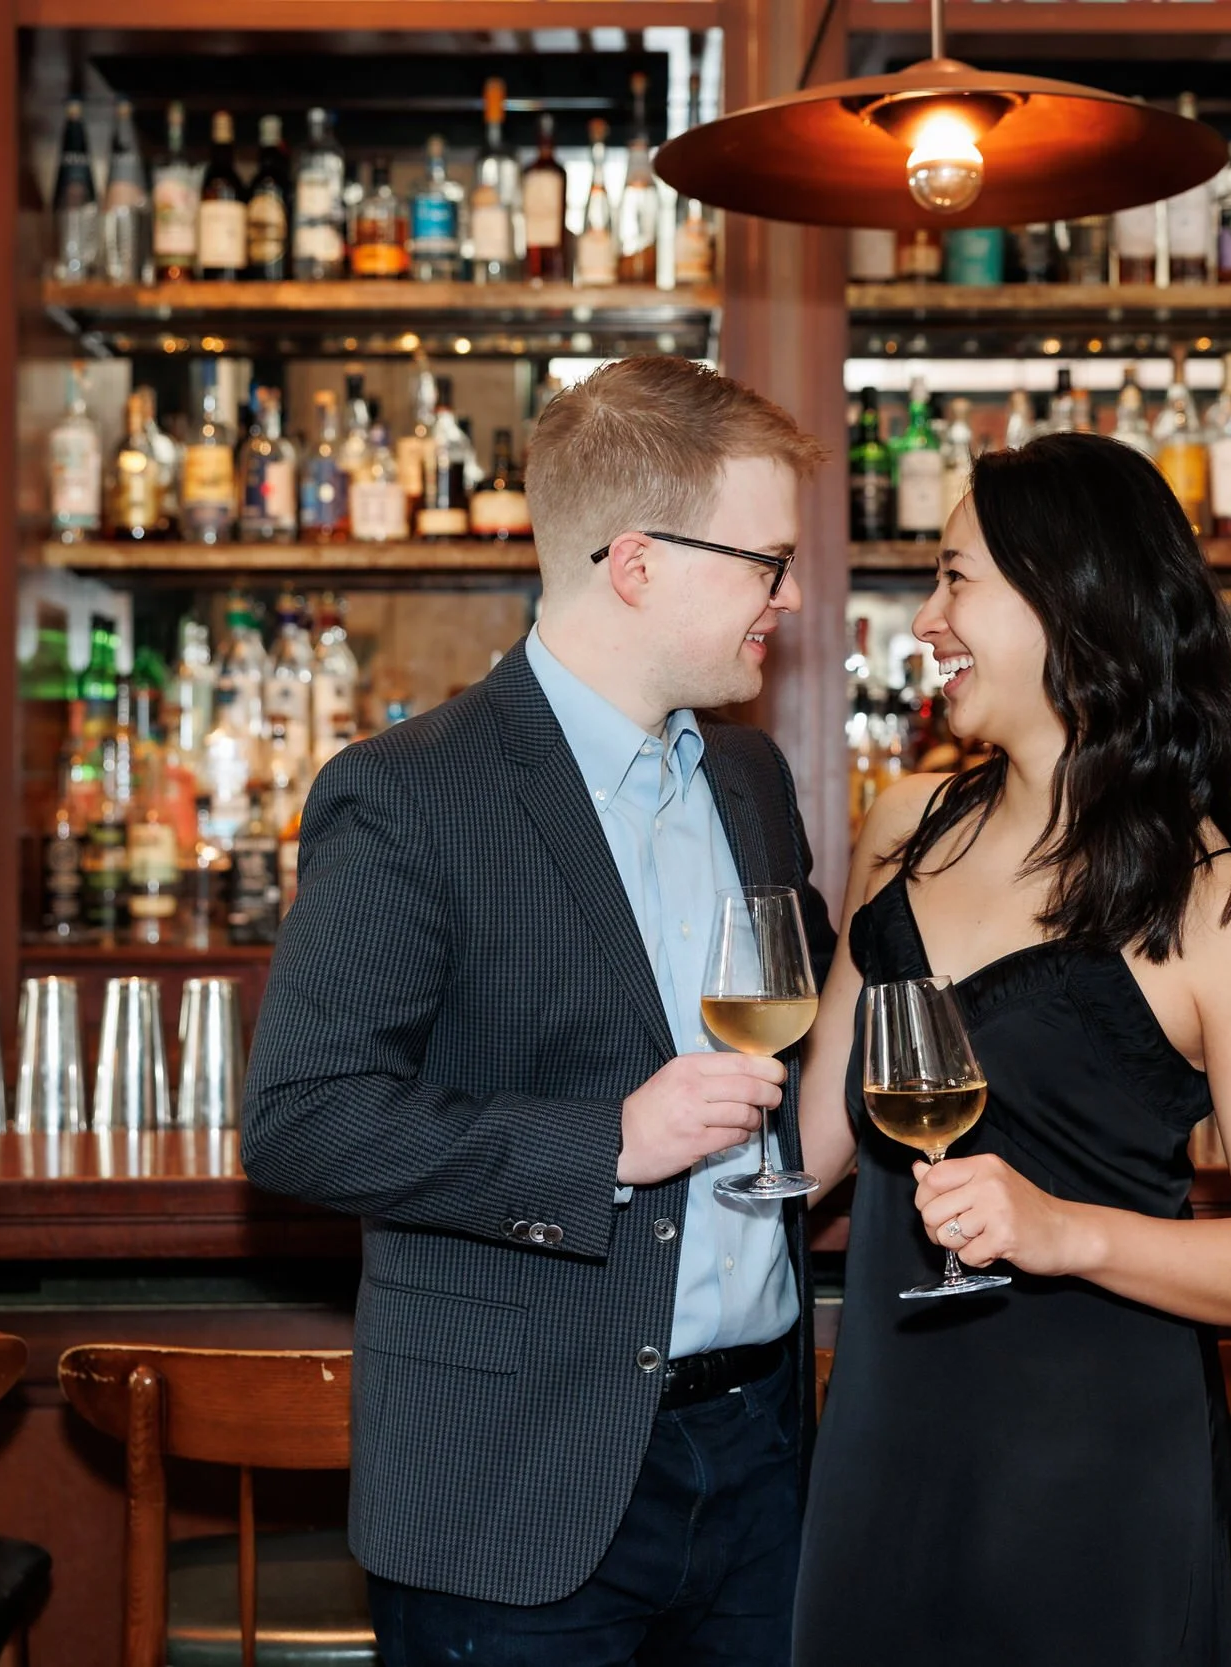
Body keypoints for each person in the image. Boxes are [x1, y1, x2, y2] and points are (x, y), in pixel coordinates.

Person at [243, 355, 834, 1667]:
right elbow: (300, 1118)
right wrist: (604, 1143)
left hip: (757, 1456)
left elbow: (809, 1045)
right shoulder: (408, 792)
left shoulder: (748, 773)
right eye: (763, 562)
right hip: (519, 1479)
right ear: (636, 563)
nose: (788, 597)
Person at [791, 431, 1231, 1666]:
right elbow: (812, 1148)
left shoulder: (1221, 896)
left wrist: (1065, 1230)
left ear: (1067, 598)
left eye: (955, 579)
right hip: (888, 1434)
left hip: (1095, 1467)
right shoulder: (901, 827)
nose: (926, 619)